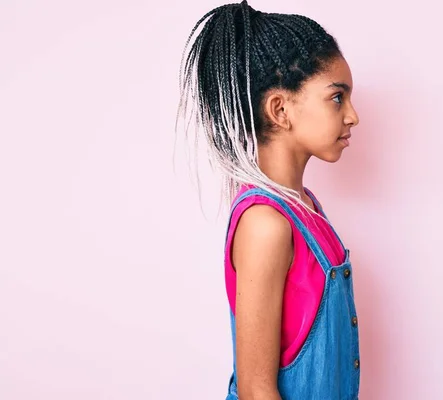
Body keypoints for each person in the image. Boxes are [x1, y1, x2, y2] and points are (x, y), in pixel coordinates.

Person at [177, 1, 360, 398]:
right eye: (336, 98)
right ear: (280, 109)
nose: (353, 116)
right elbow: (257, 390)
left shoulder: (306, 207)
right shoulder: (266, 224)